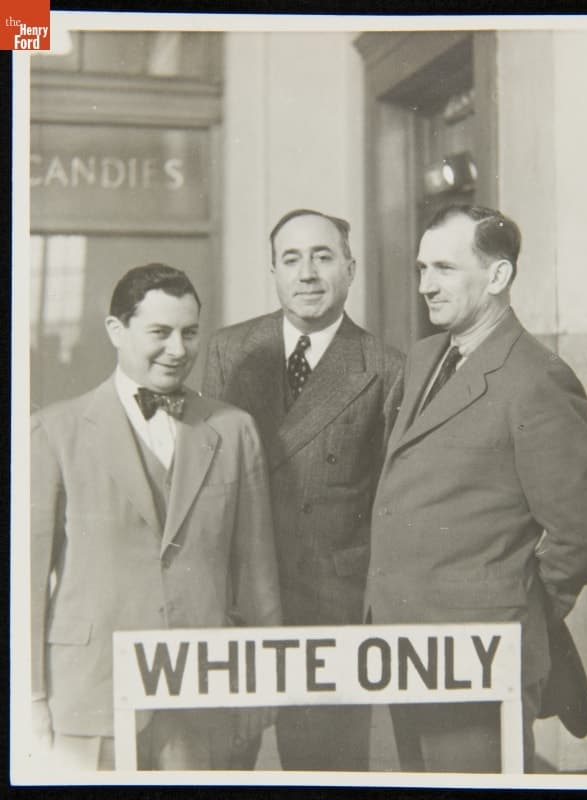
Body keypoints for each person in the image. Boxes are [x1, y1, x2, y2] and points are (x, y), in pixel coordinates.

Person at [366, 204, 587, 773]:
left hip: (481, 657)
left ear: (498, 276)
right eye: (422, 269)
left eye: (445, 269)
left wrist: (513, 608)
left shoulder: (536, 378)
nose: (426, 285)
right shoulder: (427, 355)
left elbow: (581, 534)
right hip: (404, 648)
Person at [31, 263, 281, 771]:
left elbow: (257, 575)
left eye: (189, 333)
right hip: (89, 693)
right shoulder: (53, 432)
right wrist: (31, 697)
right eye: (160, 333)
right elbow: (26, 585)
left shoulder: (234, 431)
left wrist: (261, 686)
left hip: (200, 693)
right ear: (115, 331)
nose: (178, 349)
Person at [203, 209, 404, 771]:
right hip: (239, 600)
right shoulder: (228, 350)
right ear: (273, 270)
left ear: (350, 268)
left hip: (331, 609)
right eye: (291, 259)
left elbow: (388, 505)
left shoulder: (385, 368)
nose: (307, 273)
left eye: (323, 256)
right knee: (221, 765)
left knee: (327, 771)